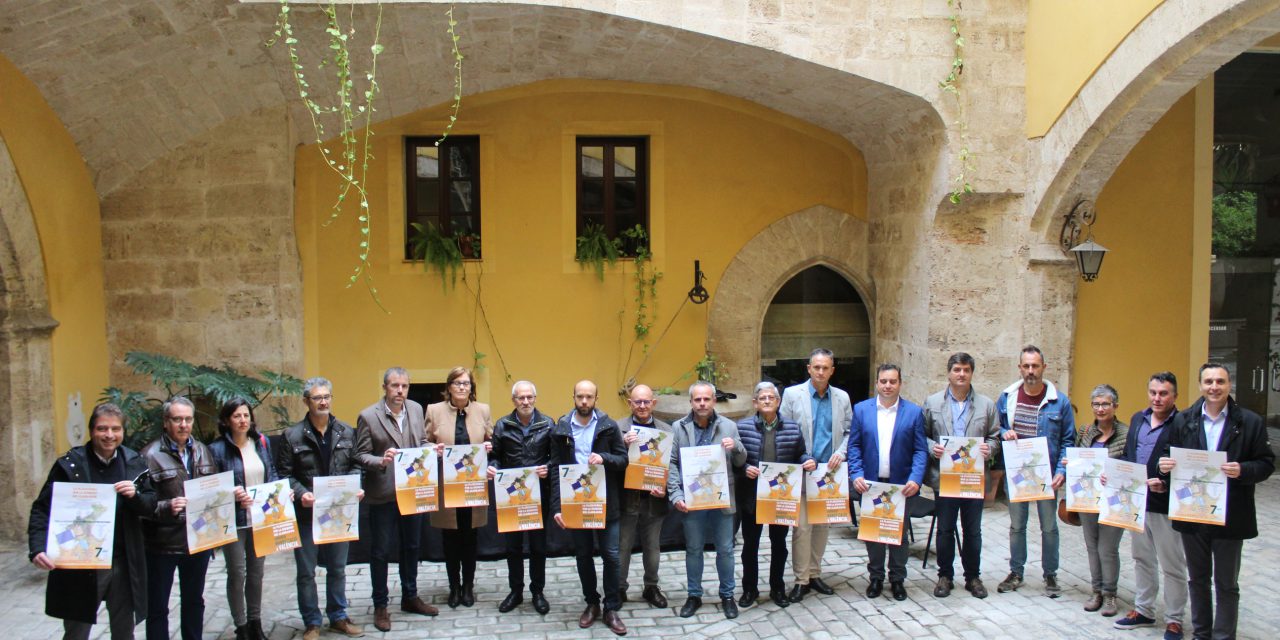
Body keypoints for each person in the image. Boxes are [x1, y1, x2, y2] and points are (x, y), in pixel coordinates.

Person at [1158, 363, 1275, 640]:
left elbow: (1266, 463)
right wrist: (1164, 467)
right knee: (1197, 580)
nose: (1214, 387)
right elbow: (1167, 457)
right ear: (1200, 385)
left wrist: (1244, 470)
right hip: (1193, 513)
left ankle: (1223, 636)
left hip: (1231, 514)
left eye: (1220, 381)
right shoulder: (1183, 420)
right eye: (1208, 381)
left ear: (1228, 385)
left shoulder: (1250, 421)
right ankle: (1201, 634)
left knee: (1226, 583)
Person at [28, 402, 151, 640]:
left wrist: (135, 496)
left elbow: (151, 505)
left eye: (115, 429)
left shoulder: (134, 463)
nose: (109, 435)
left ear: (123, 432)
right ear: (91, 430)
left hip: (122, 563)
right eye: (102, 429)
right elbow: (42, 509)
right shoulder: (70, 465)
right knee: (76, 632)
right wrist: (37, 548)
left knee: (124, 631)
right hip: (80, 564)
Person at [276, 377, 364, 640]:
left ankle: (338, 616)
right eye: (317, 398)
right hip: (306, 514)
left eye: (327, 397)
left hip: (338, 512)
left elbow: (357, 465)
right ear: (307, 401)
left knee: (338, 567)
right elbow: (284, 475)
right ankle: (312, 623)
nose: (323, 402)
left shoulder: (347, 432)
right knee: (306, 572)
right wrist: (302, 494)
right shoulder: (292, 436)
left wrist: (356, 487)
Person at [354, 367, 438, 632]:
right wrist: (381, 460)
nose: (400, 391)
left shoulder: (415, 409)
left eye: (404, 386)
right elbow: (359, 455)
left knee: (411, 546)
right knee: (380, 551)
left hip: (413, 492)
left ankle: (410, 596)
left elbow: (421, 441)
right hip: (383, 495)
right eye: (395, 386)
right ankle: (380, 605)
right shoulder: (368, 416)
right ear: (385, 387)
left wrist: (431, 449)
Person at [996, 345, 1076, 598]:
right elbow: (996, 428)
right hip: (1017, 474)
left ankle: (1050, 574)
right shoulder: (1007, 397)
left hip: (1047, 475)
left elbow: (1068, 440)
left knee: (1049, 527)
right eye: (1026, 366)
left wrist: (1062, 469)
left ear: (1044, 367)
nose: (1031, 371)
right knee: (1017, 526)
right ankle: (1016, 571)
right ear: (1020, 368)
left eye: (1035, 366)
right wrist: (1003, 433)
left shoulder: (1059, 402)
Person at [550, 380, 629, 635]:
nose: (584, 401)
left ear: (596, 398)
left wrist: (604, 458)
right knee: (583, 556)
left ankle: (611, 608)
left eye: (589, 397)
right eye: (580, 397)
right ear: (573, 397)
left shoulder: (608, 426)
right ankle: (592, 603)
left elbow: (623, 460)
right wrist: (556, 507)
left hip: (607, 502)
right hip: (576, 503)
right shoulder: (561, 428)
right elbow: (554, 470)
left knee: (611, 556)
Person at [1114, 372, 1187, 639]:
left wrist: (1166, 483)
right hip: (1137, 502)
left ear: (1174, 396)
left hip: (1165, 505)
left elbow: (1187, 465)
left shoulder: (1183, 423)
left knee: (1172, 564)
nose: (1157, 398)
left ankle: (1174, 619)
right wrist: (1114, 473)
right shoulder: (1137, 418)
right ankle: (1144, 609)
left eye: (1164, 393)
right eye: (1153, 392)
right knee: (1142, 559)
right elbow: (1128, 455)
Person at [139, 396, 219, 640]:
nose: (183, 425)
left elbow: (213, 490)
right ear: (166, 422)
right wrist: (167, 507)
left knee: (194, 601)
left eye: (188, 419)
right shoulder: (149, 455)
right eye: (177, 419)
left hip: (198, 541)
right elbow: (141, 504)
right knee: (158, 606)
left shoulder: (202, 450)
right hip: (163, 544)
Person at [922, 352, 999, 599]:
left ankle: (973, 577)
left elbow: (995, 436)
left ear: (972, 373)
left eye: (966, 370)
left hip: (972, 478)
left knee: (972, 530)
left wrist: (991, 448)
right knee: (944, 529)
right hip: (944, 477)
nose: (961, 374)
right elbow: (921, 435)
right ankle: (945, 575)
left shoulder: (986, 405)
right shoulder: (932, 403)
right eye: (957, 369)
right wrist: (930, 446)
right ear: (949, 372)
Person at [848, 363, 927, 602]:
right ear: (877, 383)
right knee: (873, 533)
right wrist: (856, 474)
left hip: (901, 486)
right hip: (871, 483)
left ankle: (897, 579)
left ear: (900, 383)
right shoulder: (862, 410)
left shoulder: (913, 412)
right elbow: (854, 446)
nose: (888, 386)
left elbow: (920, 450)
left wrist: (915, 479)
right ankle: (876, 578)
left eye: (892, 381)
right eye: (883, 381)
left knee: (899, 535)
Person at [669, 381, 747, 619]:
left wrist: (736, 447)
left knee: (725, 549)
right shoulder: (678, 427)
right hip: (692, 500)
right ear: (691, 402)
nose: (702, 403)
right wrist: (676, 494)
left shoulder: (729, 426)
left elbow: (741, 462)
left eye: (706, 399)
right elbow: (671, 462)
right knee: (693, 549)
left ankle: (727, 595)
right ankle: (694, 595)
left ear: (714, 400)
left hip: (722, 499)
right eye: (697, 399)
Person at [779, 348, 852, 602]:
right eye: (816, 367)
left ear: (832, 370)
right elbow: (784, 431)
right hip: (802, 470)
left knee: (822, 526)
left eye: (826, 368)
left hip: (829, 473)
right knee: (802, 527)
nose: (820, 372)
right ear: (808, 368)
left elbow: (850, 432)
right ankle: (800, 579)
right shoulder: (791, 395)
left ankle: (814, 573)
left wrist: (841, 454)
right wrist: (800, 458)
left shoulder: (842, 397)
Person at [736, 381, 812, 608]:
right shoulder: (742, 427)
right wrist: (743, 469)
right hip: (752, 496)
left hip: (781, 497)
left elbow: (801, 453)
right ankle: (749, 589)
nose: (767, 401)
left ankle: (777, 588)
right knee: (750, 545)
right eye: (762, 398)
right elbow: (734, 460)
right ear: (755, 403)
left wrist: (807, 460)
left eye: (771, 398)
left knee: (779, 544)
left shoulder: (792, 428)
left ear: (778, 402)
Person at [208, 398, 277, 640]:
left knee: (257, 573)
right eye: (237, 416)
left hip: (260, 517)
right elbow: (211, 487)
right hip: (234, 520)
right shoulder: (216, 449)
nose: (243, 420)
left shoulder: (261, 442)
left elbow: (272, 473)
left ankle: (255, 622)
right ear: (227, 420)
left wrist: (281, 492)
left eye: (246, 415)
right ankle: (241, 626)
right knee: (237, 573)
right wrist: (231, 493)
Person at [424, 366, 493, 609]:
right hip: (447, 486)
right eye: (457, 383)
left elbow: (491, 441)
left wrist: (488, 448)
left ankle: (468, 586)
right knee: (450, 538)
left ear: (471, 387)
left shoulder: (482, 410)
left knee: (470, 537)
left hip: (473, 486)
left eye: (466, 383)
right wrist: (433, 450)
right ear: (449, 387)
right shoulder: (434, 410)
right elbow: (425, 442)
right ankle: (454, 586)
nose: (462, 387)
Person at [489, 380, 554, 615]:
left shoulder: (547, 424)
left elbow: (555, 457)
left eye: (529, 397)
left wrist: (547, 466)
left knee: (538, 547)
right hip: (511, 496)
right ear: (513, 400)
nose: (525, 402)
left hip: (539, 496)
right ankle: (515, 591)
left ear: (535, 399)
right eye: (520, 398)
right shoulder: (502, 425)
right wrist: (493, 467)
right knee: (513, 547)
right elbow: (494, 456)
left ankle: (538, 591)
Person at [617, 383, 672, 608]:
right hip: (627, 497)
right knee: (623, 546)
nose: (641, 406)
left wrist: (665, 485)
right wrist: (622, 444)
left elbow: (673, 465)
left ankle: (651, 586)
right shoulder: (616, 427)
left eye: (646, 401)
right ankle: (619, 588)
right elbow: (609, 460)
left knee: (653, 546)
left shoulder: (667, 431)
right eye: (637, 402)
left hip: (654, 498)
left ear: (653, 403)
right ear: (630, 403)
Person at [1077, 384, 1129, 617]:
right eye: (1096, 404)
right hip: (1088, 499)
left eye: (1105, 404)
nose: (1100, 408)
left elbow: (1131, 465)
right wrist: (1072, 465)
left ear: (1115, 406)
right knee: (1091, 546)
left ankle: (1110, 594)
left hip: (1114, 500)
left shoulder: (1127, 433)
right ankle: (1096, 590)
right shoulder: (1085, 431)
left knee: (1107, 548)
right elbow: (1077, 456)